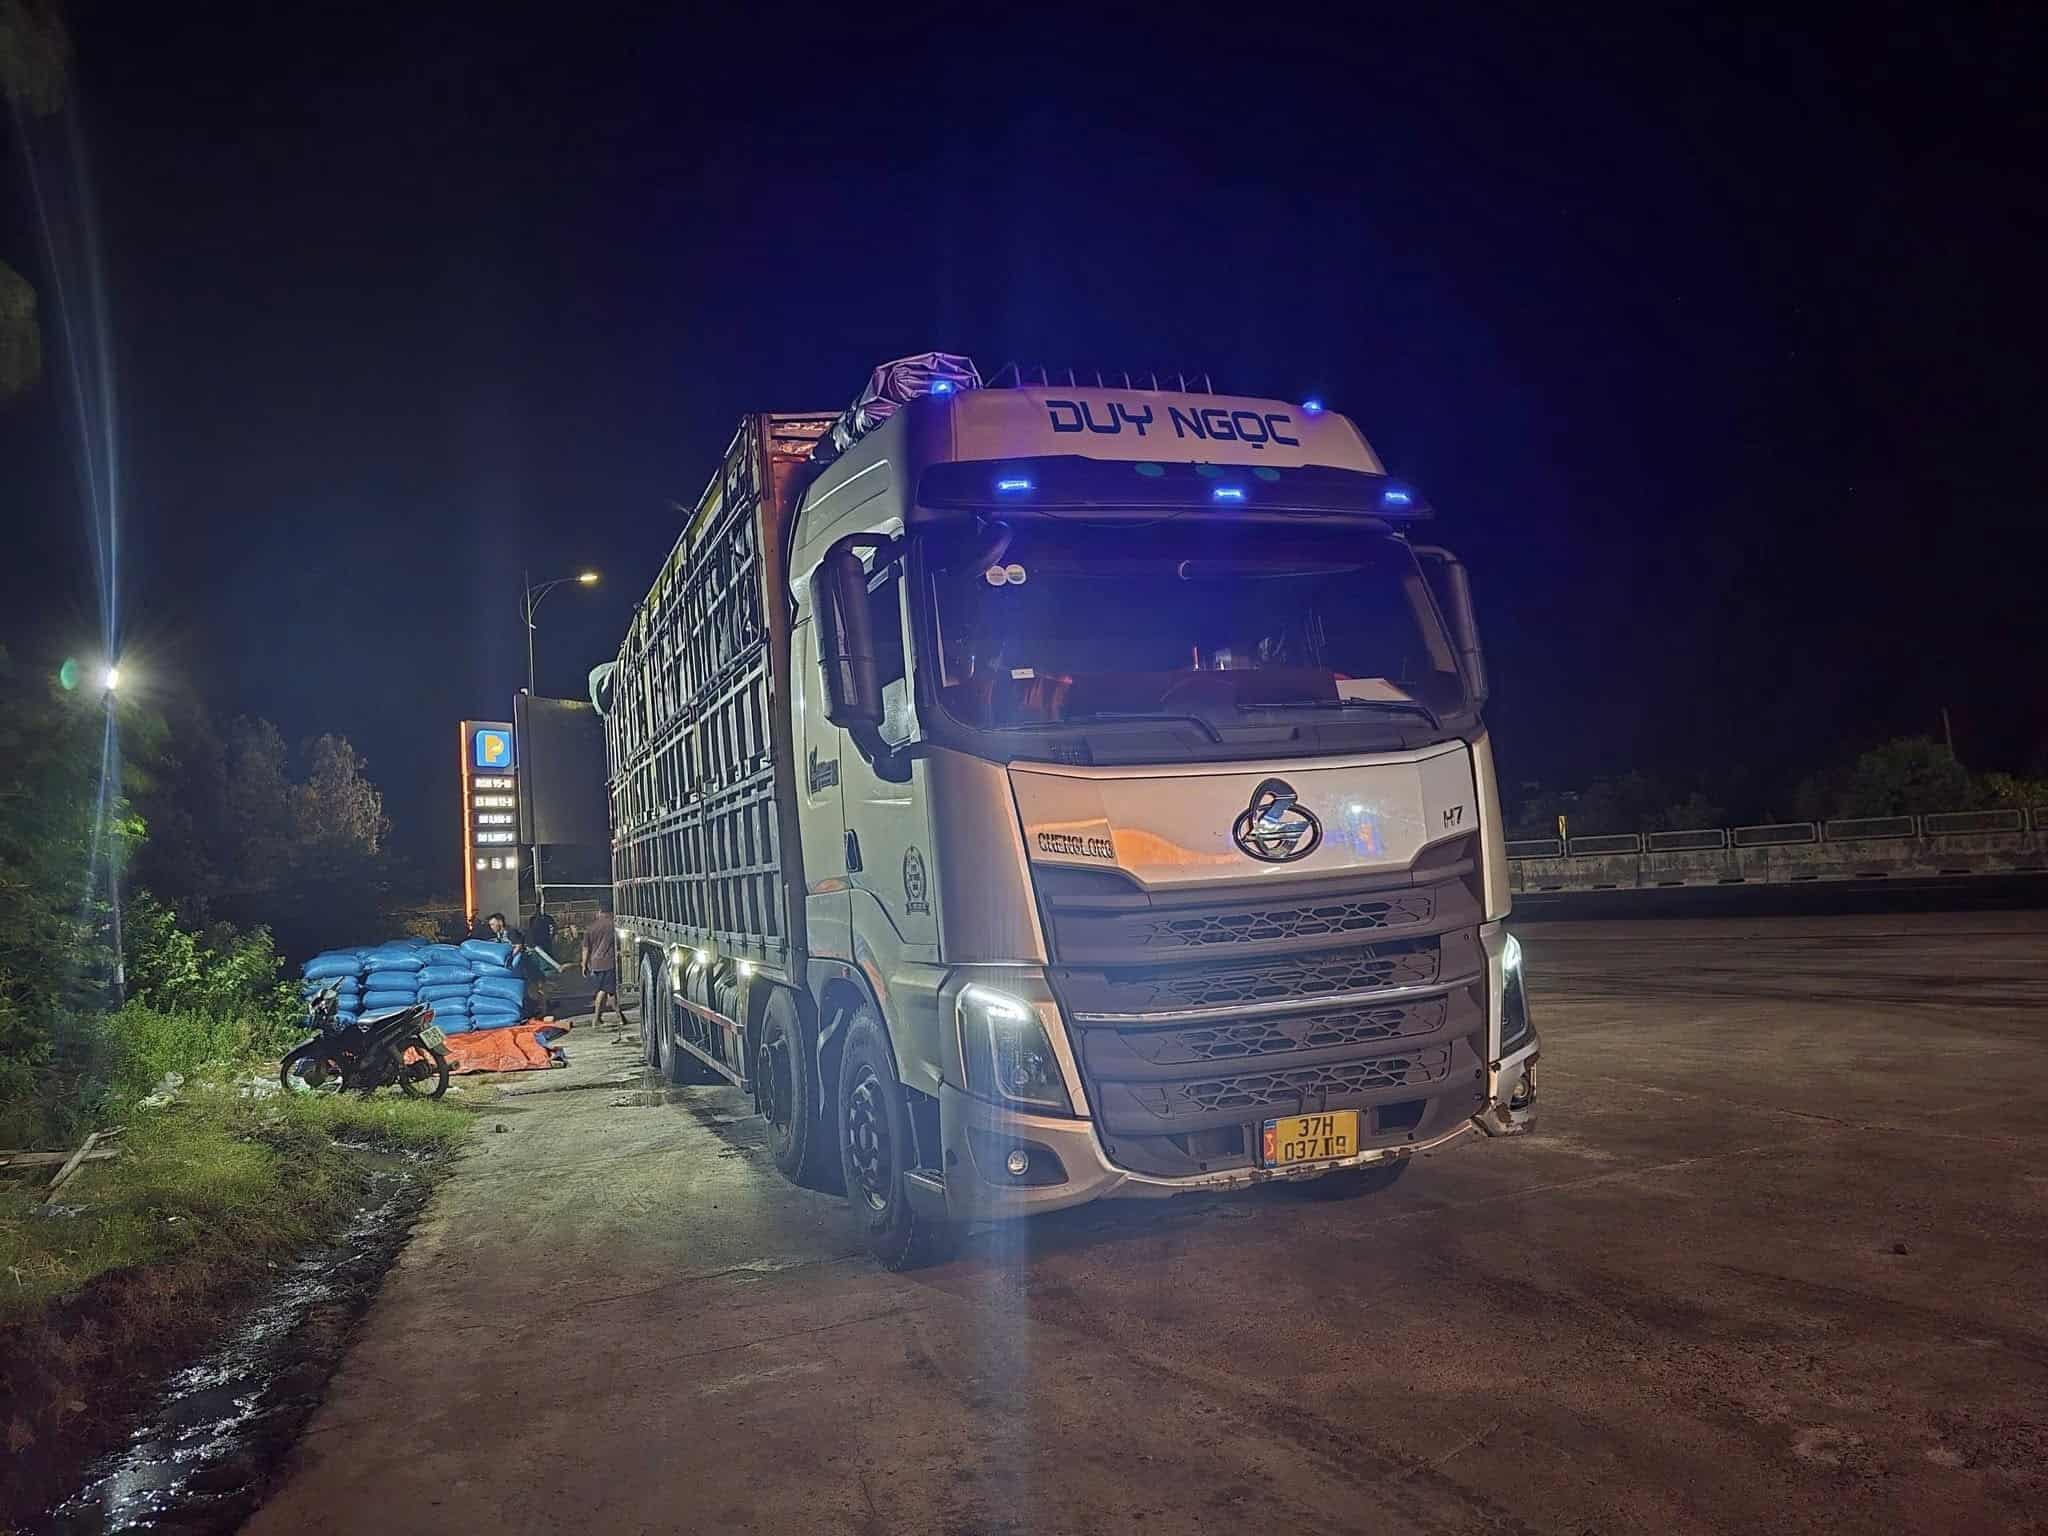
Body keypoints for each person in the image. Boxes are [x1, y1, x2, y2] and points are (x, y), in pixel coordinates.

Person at [582, 897, 620, 1030]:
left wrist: (584, 964)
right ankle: (596, 1019)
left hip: (595, 963)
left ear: (599, 911)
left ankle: (620, 1017)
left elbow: (586, 948)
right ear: (611, 912)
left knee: (610, 991)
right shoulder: (613, 926)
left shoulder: (590, 928)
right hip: (608, 962)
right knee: (604, 990)